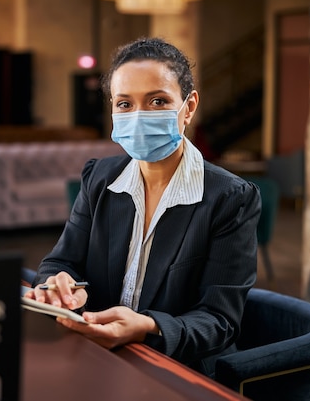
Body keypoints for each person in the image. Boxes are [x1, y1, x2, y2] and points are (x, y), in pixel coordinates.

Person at [25, 37, 260, 376]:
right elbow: (60, 261)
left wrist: (149, 327)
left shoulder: (230, 198)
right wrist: (58, 285)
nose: (138, 117)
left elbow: (219, 321)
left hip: (176, 368)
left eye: (158, 101)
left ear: (189, 106)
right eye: (124, 104)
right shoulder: (100, 178)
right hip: (95, 354)